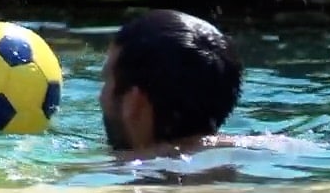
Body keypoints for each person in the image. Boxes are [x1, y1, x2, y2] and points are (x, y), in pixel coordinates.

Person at [99, 9, 243, 154]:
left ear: (134, 102)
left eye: (106, 80)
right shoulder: (252, 149)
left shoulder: (108, 170)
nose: (100, 96)